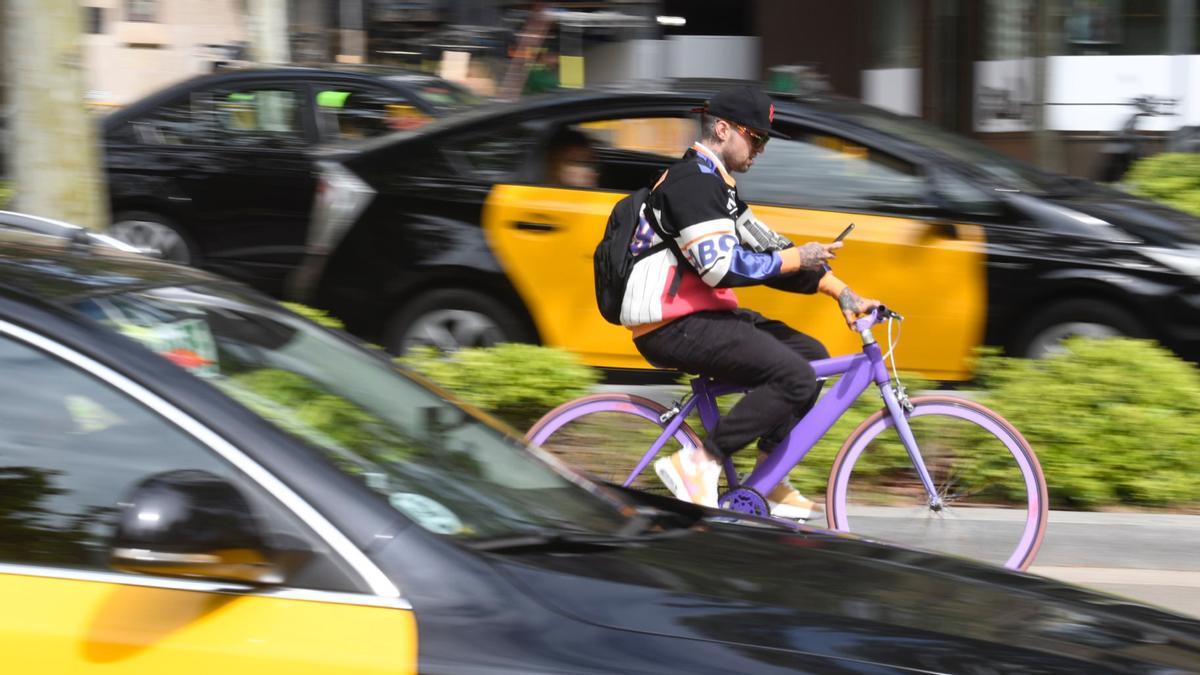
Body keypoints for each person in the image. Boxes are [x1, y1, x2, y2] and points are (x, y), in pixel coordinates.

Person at [621, 84, 880, 518]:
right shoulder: (691, 183)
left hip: (701, 314)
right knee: (794, 376)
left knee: (810, 359)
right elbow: (720, 267)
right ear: (722, 129)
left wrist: (842, 292)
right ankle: (698, 464)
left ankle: (770, 475)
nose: (760, 149)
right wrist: (795, 256)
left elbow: (768, 251)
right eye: (755, 137)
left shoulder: (720, 189)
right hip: (671, 323)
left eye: (763, 141)